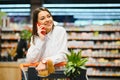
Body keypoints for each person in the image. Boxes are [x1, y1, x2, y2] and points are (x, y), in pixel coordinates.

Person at [26, 7, 68, 71]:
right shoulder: (35, 37)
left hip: (58, 73)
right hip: (41, 74)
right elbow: (30, 59)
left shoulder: (60, 31)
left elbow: (63, 55)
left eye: (49, 16)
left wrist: (45, 62)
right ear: (37, 23)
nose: (48, 20)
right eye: (42, 18)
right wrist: (41, 40)